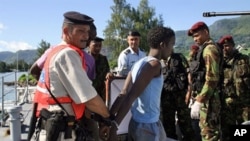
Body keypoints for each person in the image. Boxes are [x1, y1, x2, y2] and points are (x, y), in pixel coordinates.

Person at [30, 11, 110, 141]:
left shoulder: (56, 51)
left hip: (52, 126)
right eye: (81, 31)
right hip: (60, 130)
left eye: (88, 31)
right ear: (66, 31)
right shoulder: (68, 54)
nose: (86, 36)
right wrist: (107, 117)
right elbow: (89, 98)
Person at [101, 26, 176, 141]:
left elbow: (123, 93)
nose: (172, 49)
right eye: (172, 44)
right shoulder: (154, 65)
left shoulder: (139, 63)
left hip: (136, 123)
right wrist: (114, 127)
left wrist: (109, 121)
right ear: (163, 45)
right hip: (148, 127)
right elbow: (130, 96)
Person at [187, 21, 222, 141]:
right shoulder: (204, 49)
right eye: (193, 37)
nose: (195, 39)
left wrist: (200, 100)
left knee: (209, 134)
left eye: (197, 35)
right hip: (206, 98)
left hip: (209, 100)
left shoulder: (209, 49)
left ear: (206, 32)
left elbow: (212, 78)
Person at [218, 35, 250, 141]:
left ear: (233, 45)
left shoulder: (244, 60)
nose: (224, 48)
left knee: (243, 130)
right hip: (227, 103)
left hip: (244, 102)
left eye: (227, 46)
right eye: (222, 46)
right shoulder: (220, 63)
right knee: (227, 131)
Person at [161, 49, 195, 141]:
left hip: (181, 96)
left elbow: (189, 74)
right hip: (166, 97)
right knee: (168, 126)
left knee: (186, 124)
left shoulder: (179, 57)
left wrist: (189, 92)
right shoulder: (158, 61)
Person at [88, 36, 114, 101]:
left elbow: (107, 71)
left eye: (100, 46)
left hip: (101, 94)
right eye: (95, 45)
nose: (98, 48)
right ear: (89, 45)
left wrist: (109, 74)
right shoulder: (84, 59)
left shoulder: (103, 59)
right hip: (88, 93)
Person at [186, 44, 202, 141]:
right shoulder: (192, 63)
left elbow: (190, 82)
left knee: (195, 118)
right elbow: (190, 82)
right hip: (195, 96)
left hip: (199, 96)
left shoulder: (197, 64)